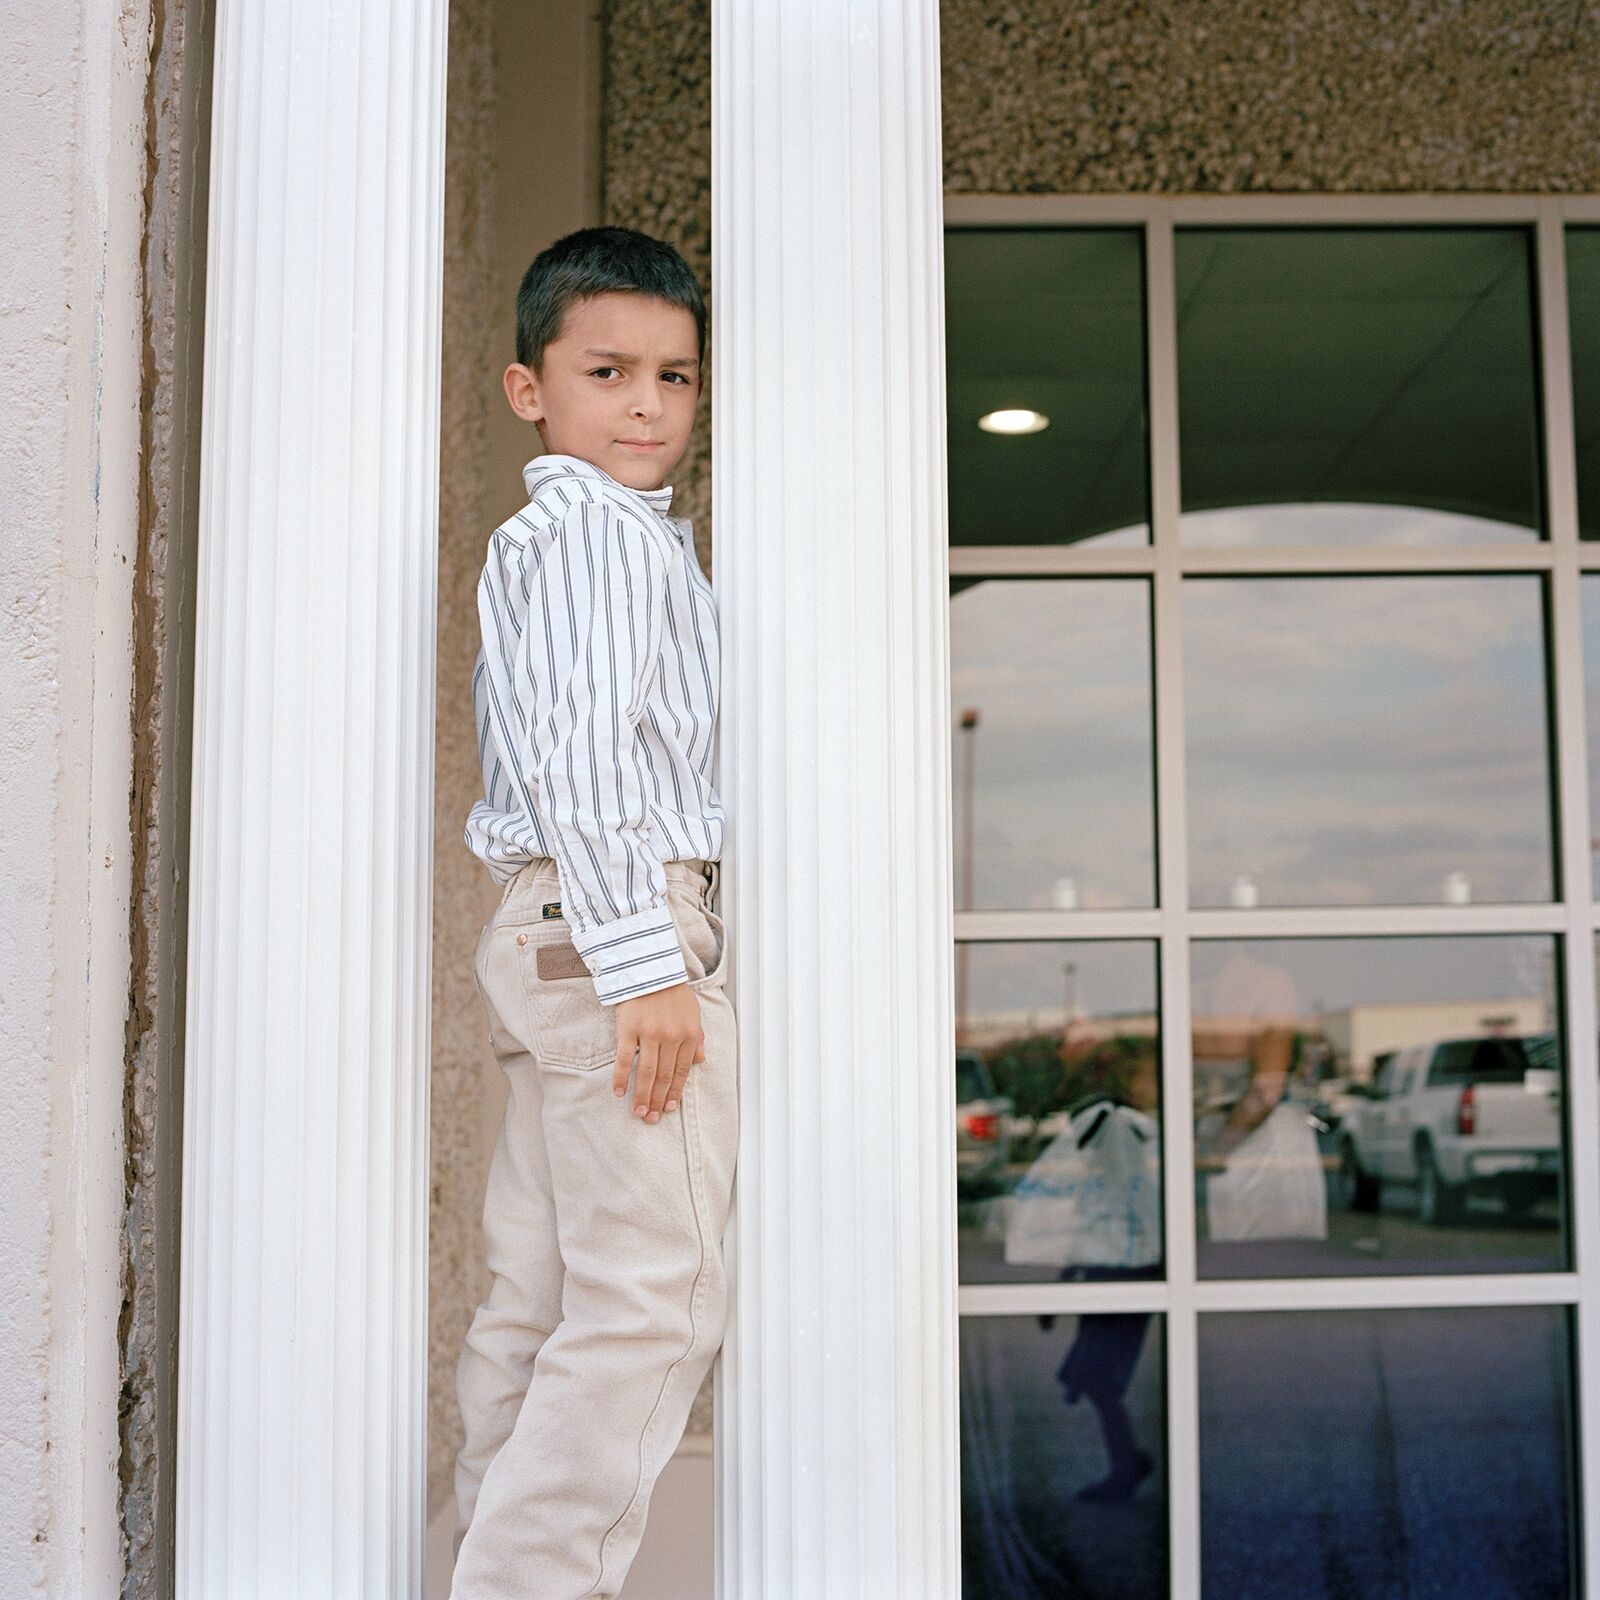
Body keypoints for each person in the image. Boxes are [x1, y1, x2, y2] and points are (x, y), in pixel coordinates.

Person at [449, 226, 736, 1600]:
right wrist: (645, 965)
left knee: (546, 1297)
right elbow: (580, 759)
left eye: (674, 378)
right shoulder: (584, 540)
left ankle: (481, 1570)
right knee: (651, 1301)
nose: (644, 406)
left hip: (558, 927)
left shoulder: (612, 541)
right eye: (608, 370)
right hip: (607, 927)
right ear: (530, 390)